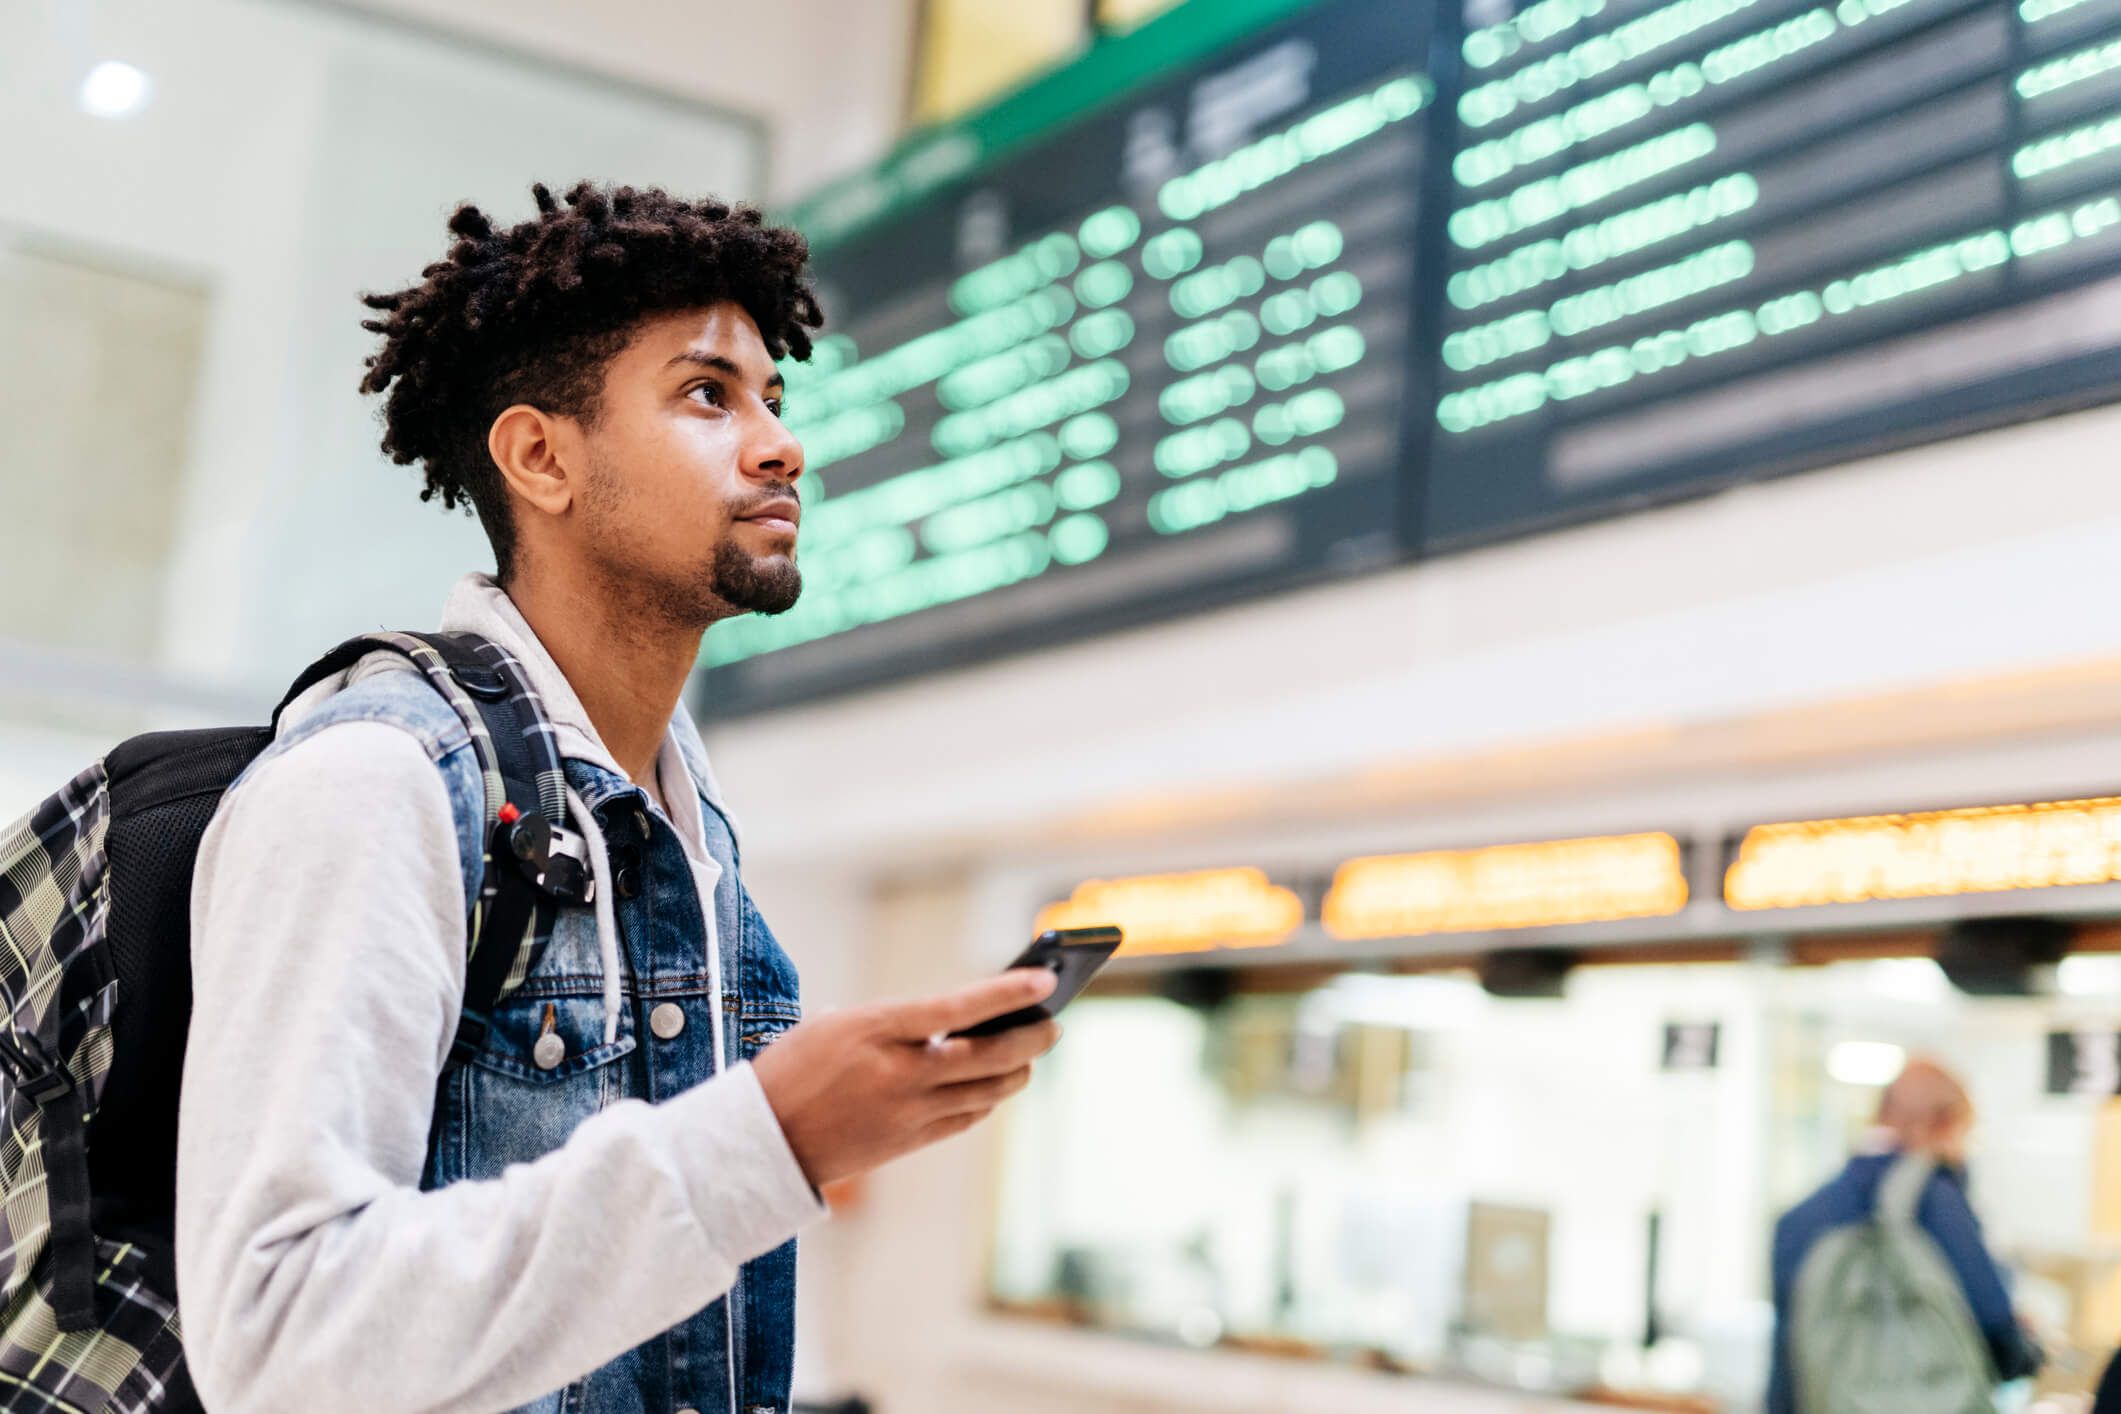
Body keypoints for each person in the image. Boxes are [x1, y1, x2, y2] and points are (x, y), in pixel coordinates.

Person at [174, 182, 1061, 1414]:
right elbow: (276, 1347)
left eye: (773, 399)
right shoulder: (373, 781)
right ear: (542, 456)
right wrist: (770, 1141)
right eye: (708, 395)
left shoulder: (682, 831)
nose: (780, 444)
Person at [1766, 1056, 2042, 1414]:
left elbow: (1788, 1360)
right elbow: (1994, 1323)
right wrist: (2025, 1349)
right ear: (1946, 1123)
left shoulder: (1797, 1219)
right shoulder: (1936, 1200)